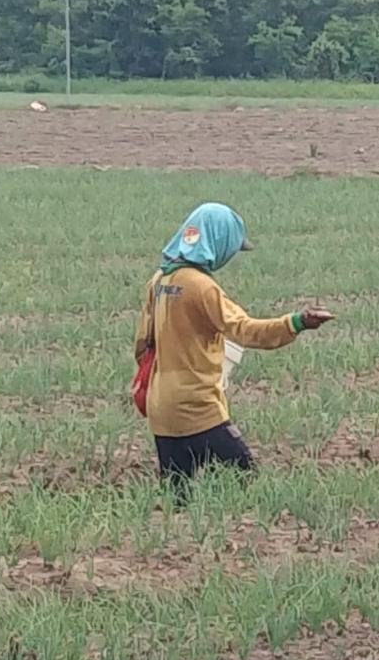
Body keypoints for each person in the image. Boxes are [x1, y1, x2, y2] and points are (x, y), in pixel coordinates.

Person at [135, 202, 334, 497]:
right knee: (244, 480)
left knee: (177, 500)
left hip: (161, 409)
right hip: (197, 406)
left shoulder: (160, 279)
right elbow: (246, 330)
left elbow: (142, 344)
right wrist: (296, 322)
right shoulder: (202, 287)